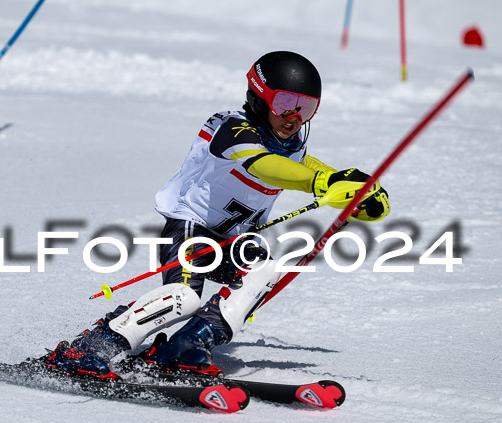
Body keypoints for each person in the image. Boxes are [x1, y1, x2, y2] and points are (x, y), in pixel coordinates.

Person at [43, 51, 390, 379]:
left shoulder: (292, 145)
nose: (294, 117)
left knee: (264, 271)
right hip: (190, 228)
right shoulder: (231, 129)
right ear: (259, 96)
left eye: (306, 107)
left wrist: (359, 193)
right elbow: (264, 165)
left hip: (234, 241)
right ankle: (89, 348)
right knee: (184, 297)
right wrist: (323, 182)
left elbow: (305, 166)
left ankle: (184, 348)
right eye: (285, 104)